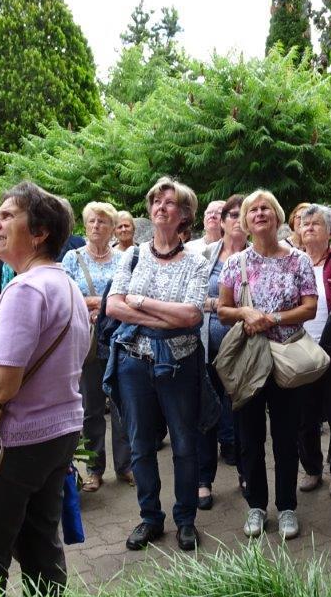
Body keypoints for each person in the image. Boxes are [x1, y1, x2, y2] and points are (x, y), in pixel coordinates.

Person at [0, 182, 88, 597]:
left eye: (7, 216)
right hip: (57, 435)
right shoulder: (65, 284)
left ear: (39, 232)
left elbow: (1, 386)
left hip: (14, 443)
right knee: (41, 547)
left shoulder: (25, 290)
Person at [105, 177, 211, 552]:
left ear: (184, 214)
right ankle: (150, 518)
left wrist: (140, 303)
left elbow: (192, 315)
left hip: (180, 364)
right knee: (140, 445)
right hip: (134, 364)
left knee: (184, 444)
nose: (161, 207)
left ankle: (185, 520)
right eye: (156, 202)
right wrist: (162, 315)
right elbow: (113, 306)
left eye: (170, 203)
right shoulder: (132, 256)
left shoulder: (197, 262)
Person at [217, 190, 318, 541]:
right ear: (245, 221)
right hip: (249, 359)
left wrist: (271, 318)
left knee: (287, 436)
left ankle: (287, 506)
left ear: (276, 216)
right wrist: (245, 312)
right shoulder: (236, 263)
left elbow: (310, 308)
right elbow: (223, 310)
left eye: (266, 208)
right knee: (249, 436)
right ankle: (256, 506)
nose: (259, 213)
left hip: (287, 357)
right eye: (252, 210)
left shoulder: (299, 260)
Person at [62, 202, 132, 491]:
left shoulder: (124, 259)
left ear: (112, 227)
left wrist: (97, 305)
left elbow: (129, 294)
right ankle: (94, 469)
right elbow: (64, 294)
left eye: (102, 221)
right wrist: (105, 303)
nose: (96, 226)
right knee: (91, 408)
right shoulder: (72, 258)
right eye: (91, 221)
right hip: (88, 342)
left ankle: (126, 466)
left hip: (119, 339)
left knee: (122, 406)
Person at [296, 204, 331, 498]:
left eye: (315, 223)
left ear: (330, 232)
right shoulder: (292, 262)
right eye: (304, 224)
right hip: (301, 353)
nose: (308, 227)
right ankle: (312, 469)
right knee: (304, 418)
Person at [198, 194, 246, 509]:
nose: (238, 220)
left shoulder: (258, 256)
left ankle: (246, 473)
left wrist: (222, 306)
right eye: (233, 214)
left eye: (244, 214)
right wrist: (223, 304)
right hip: (208, 348)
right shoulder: (205, 256)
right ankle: (203, 481)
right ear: (223, 221)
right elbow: (193, 298)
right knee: (207, 414)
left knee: (242, 414)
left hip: (244, 349)